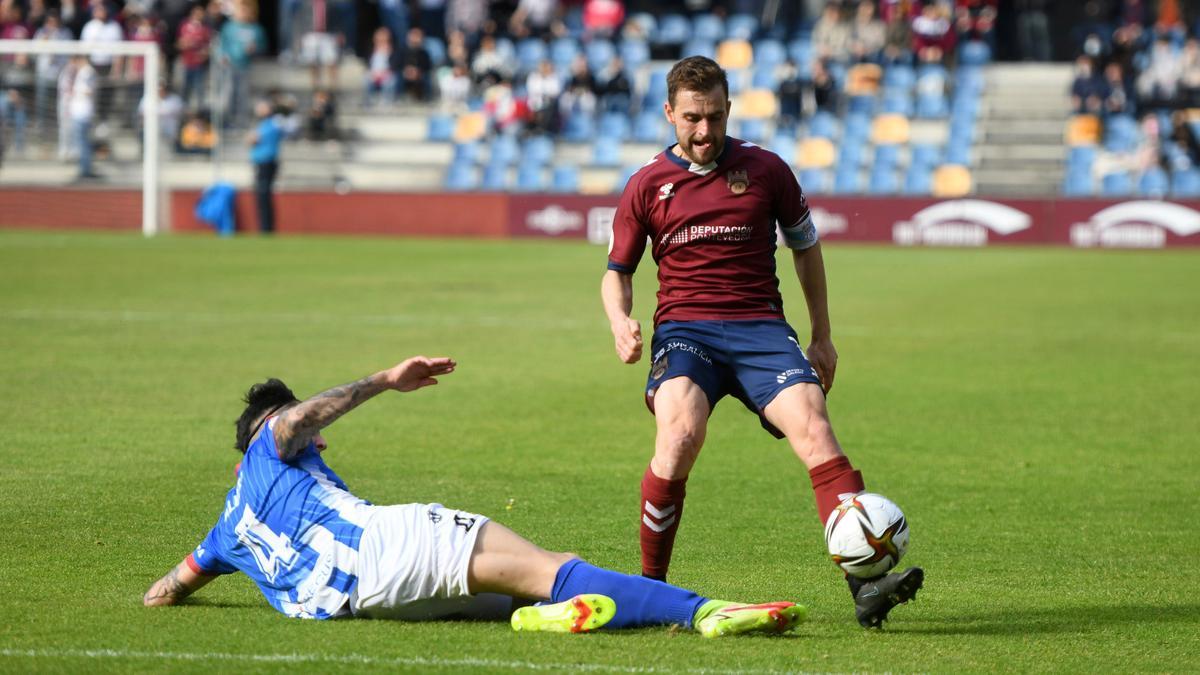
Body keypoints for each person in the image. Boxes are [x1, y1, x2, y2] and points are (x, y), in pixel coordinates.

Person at [142, 356, 808, 639]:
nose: (316, 439)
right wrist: (383, 379)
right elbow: (290, 423)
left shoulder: (225, 532)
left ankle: (536, 618)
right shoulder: (275, 442)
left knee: (541, 579)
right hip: (388, 548)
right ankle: (708, 612)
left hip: (373, 608)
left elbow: (167, 588)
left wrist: (185, 581)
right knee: (558, 570)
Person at [600, 56, 923, 629]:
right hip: (686, 332)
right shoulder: (646, 184)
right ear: (669, 112)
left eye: (716, 117)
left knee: (816, 429)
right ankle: (651, 589)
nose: (705, 132)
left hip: (761, 331)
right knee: (678, 437)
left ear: (729, 110)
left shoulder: (768, 169)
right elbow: (617, 270)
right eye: (693, 118)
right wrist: (619, 318)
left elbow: (806, 247)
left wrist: (822, 336)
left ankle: (867, 587)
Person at [247, 99, 283, 233]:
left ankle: (266, 228)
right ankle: (264, 227)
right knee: (262, 196)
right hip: (261, 163)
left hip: (266, 163)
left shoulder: (272, 124)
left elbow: (253, 139)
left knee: (264, 195)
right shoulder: (264, 124)